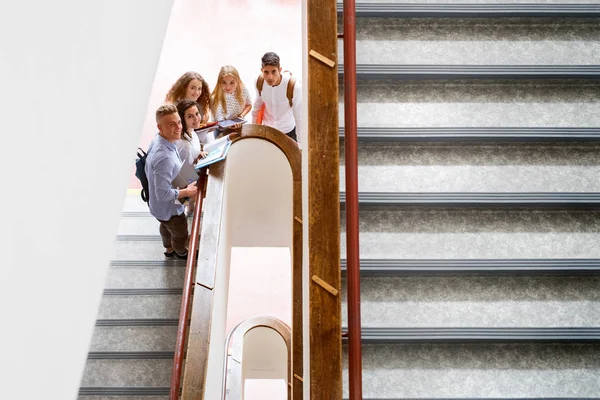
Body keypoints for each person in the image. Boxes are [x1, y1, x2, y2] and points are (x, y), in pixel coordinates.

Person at [146, 104, 198, 260]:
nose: (178, 127)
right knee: (180, 232)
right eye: (171, 124)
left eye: (179, 122)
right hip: (170, 209)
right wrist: (187, 192)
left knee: (165, 226)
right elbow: (163, 194)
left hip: (158, 209)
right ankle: (181, 251)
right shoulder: (164, 158)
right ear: (160, 127)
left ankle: (168, 248)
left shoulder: (160, 139)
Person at [251, 52, 302, 147]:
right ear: (262, 70)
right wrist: (253, 132)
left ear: (280, 70)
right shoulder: (259, 82)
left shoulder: (294, 86)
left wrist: (301, 145)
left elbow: (299, 117)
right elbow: (256, 107)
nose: (270, 77)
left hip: (288, 131)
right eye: (266, 72)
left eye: (273, 71)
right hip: (268, 131)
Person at [210, 65, 252, 131]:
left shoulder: (243, 90)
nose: (228, 87)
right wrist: (229, 126)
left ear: (237, 81)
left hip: (238, 126)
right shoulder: (215, 97)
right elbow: (218, 120)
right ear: (219, 82)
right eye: (224, 82)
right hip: (221, 130)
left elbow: (248, 105)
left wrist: (241, 116)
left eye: (232, 82)